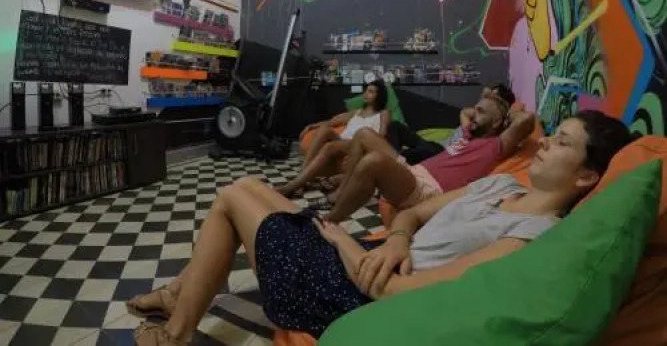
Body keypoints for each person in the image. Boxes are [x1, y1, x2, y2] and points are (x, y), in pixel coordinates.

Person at [129, 110, 633, 345]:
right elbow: (411, 214)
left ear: (587, 176)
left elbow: (397, 292)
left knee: (232, 195)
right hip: (368, 257)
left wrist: (345, 242)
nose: (543, 144)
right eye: (552, 136)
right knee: (250, 184)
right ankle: (179, 295)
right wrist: (395, 238)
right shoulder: (499, 186)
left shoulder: (535, 234)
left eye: (562, 143)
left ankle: (176, 331)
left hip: (352, 293)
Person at [321, 92, 535, 221]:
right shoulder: (469, 133)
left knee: (373, 161)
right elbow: (465, 111)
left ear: (496, 122)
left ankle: (330, 221)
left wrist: (505, 115)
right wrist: (486, 108)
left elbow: (527, 119)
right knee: (363, 134)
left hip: (427, 190)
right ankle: (340, 193)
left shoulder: (495, 145)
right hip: (413, 173)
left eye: (481, 112)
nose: (473, 114)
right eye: (476, 109)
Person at [276, 80, 390, 197]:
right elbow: (332, 122)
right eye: (366, 90)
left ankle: (291, 186)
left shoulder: (383, 113)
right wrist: (312, 126)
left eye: (371, 92)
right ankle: (301, 178)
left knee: (329, 146)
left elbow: (381, 136)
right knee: (324, 130)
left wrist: (365, 151)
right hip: (342, 140)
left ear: (379, 96)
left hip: (357, 144)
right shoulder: (357, 112)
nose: (365, 94)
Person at [386, 83, 517, 165]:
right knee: (394, 126)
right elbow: (464, 112)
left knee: (405, 155)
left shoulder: (489, 134)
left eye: (493, 98)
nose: (487, 99)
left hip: (442, 153)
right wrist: (479, 112)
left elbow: (521, 120)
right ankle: (394, 159)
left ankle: (393, 162)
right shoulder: (473, 123)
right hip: (435, 145)